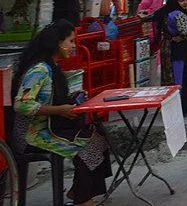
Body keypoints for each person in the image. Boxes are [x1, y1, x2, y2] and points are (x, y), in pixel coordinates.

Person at [12, 20, 112, 206]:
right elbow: (22, 105)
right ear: (58, 42)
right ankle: (82, 199)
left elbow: (50, 100)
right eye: (71, 41)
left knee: (97, 134)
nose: (74, 46)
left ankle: (79, 191)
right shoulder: (39, 70)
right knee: (88, 144)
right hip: (32, 135)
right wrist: (59, 110)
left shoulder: (53, 67)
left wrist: (72, 99)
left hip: (50, 127)